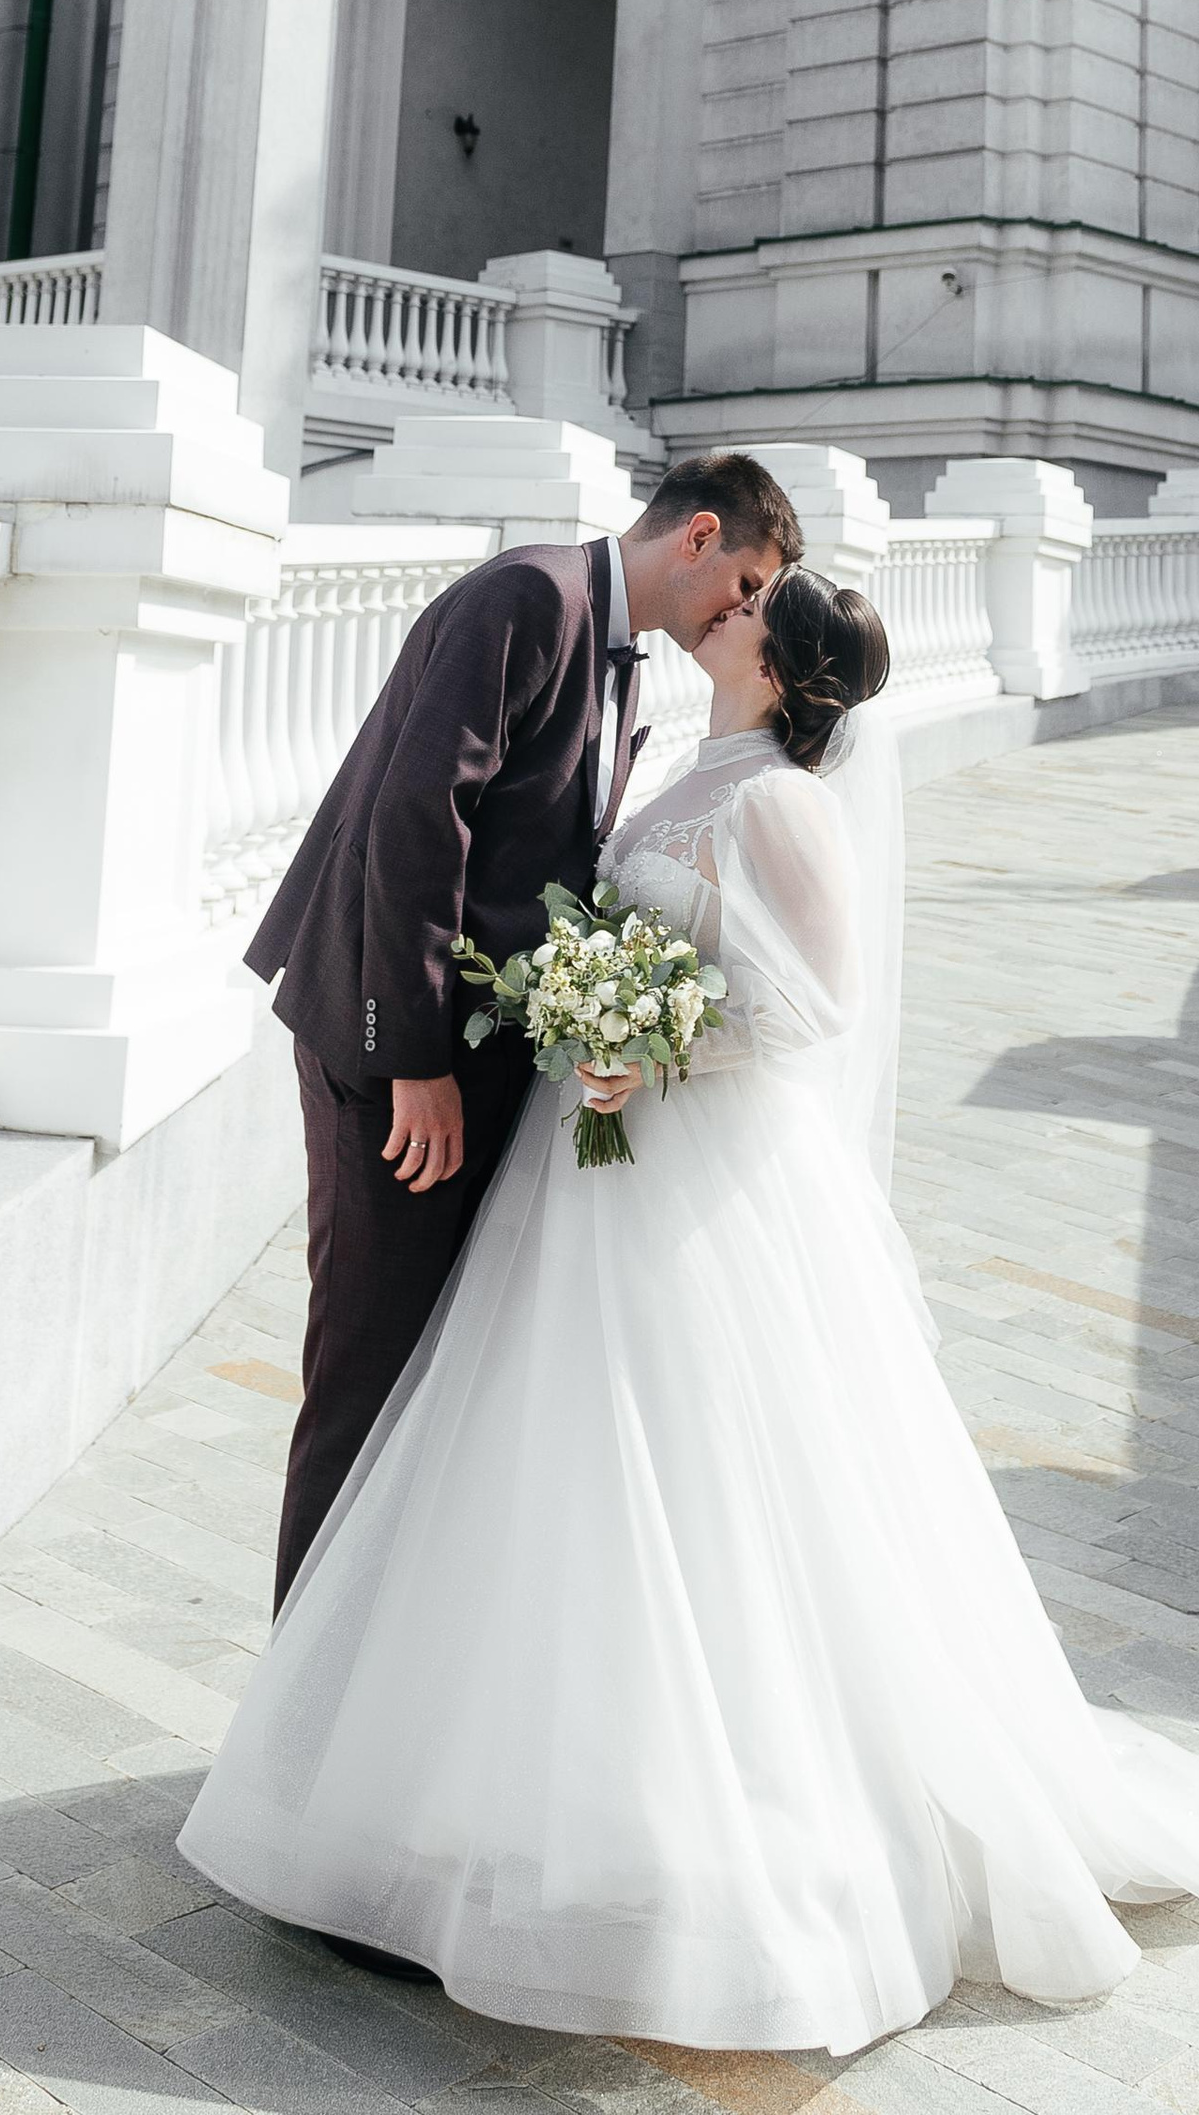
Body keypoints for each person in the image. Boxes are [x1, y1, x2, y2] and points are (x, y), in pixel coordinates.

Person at [185, 569, 1199, 2052]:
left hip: (696, 1175)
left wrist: (654, 1040)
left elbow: (819, 1005)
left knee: (708, 1476)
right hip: (588, 1173)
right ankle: (514, 1788)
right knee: (557, 1465)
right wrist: (595, 1013)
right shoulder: (691, 766)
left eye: (753, 606)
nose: (725, 610)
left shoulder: (786, 804)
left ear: (782, 660)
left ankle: (700, 1821)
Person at [243, 448, 802, 1600]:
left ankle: (373, 1669)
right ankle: (295, 1709)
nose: (743, 616)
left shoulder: (624, 661)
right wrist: (411, 1062)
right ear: (698, 537)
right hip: (394, 1055)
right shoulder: (529, 597)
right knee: (367, 1368)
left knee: (437, 1378)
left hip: (486, 1062)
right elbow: (415, 819)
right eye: (746, 588)